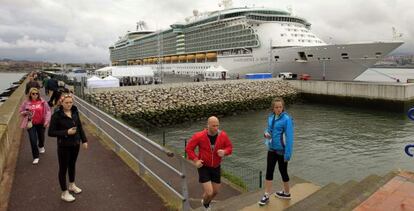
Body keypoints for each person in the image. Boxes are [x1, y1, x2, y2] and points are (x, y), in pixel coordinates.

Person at [185, 116, 233, 210]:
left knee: (215, 192)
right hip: (204, 166)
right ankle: (206, 205)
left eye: (217, 126)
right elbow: (189, 149)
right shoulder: (199, 136)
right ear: (208, 125)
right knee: (210, 192)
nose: (216, 128)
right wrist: (196, 160)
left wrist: (224, 152)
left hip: (216, 166)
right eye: (213, 126)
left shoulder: (223, 135)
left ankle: (205, 201)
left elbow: (230, 147)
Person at [48, 94, 88, 202]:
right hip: (64, 146)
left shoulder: (75, 111)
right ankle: (64, 192)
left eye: (71, 102)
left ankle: (72, 185)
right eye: (66, 102)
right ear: (61, 103)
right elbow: (50, 132)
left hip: (75, 144)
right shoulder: (56, 115)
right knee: (63, 168)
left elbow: (79, 126)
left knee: (72, 165)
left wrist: (84, 140)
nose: (69, 104)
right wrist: (66, 132)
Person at [258, 97, 294, 206]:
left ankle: (287, 193)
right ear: (273, 108)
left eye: (280, 107)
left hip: (282, 151)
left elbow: (289, 138)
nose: (278, 109)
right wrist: (265, 134)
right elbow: (269, 130)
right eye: (276, 107)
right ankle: (266, 195)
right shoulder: (271, 118)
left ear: (283, 107)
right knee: (269, 171)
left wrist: (288, 154)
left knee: (283, 172)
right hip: (271, 149)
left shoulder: (287, 119)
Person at [19, 87, 51, 164]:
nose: (35, 95)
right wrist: (25, 112)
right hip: (31, 124)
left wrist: (46, 121)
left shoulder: (42, 102)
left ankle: (41, 145)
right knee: (33, 140)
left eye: (36, 93)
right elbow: (21, 111)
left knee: (41, 137)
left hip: (41, 123)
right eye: (33, 93)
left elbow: (48, 112)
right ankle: (36, 157)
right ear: (30, 94)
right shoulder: (26, 103)